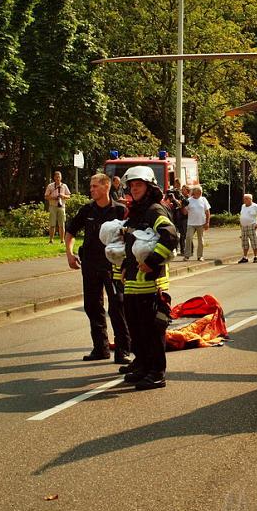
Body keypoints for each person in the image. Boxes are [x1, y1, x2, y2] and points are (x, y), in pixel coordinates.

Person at [118, 165, 178, 390]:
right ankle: (142, 365)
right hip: (134, 282)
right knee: (136, 328)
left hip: (152, 284)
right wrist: (126, 265)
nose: (134, 189)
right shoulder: (136, 212)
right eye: (131, 185)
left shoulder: (154, 210)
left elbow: (170, 236)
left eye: (138, 185)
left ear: (149, 186)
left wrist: (152, 262)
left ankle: (156, 373)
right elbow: (132, 244)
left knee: (152, 330)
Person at [65, 173, 131, 364]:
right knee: (93, 306)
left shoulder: (120, 210)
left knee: (118, 306)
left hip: (113, 266)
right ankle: (100, 348)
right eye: (91, 186)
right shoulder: (87, 210)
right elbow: (70, 232)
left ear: (106, 187)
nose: (91, 189)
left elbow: (131, 237)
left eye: (95, 186)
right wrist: (69, 254)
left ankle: (123, 350)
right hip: (91, 264)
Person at [183, 185, 210, 261]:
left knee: (200, 240)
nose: (200, 193)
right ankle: (187, 255)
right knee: (188, 238)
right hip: (191, 223)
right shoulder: (189, 200)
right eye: (199, 192)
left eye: (200, 192)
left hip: (201, 223)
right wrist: (183, 205)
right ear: (194, 192)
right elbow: (185, 212)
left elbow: (207, 212)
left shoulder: (203, 199)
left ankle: (200, 256)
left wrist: (207, 222)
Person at [237, 193, 257, 264]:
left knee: (254, 241)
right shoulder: (243, 206)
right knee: (244, 242)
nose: (244, 200)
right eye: (244, 199)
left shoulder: (255, 206)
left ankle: (255, 256)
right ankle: (245, 257)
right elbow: (242, 215)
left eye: (246, 199)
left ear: (250, 199)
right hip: (243, 226)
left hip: (252, 225)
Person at [45, 171, 71, 243]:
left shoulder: (64, 186)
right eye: (56, 177)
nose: (57, 178)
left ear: (61, 177)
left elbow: (69, 196)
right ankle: (51, 240)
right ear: (54, 177)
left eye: (59, 177)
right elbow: (46, 197)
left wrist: (63, 196)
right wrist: (53, 197)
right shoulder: (50, 186)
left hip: (61, 206)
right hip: (53, 206)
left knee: (62, 224)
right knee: (52, 224)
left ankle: (62, 240)